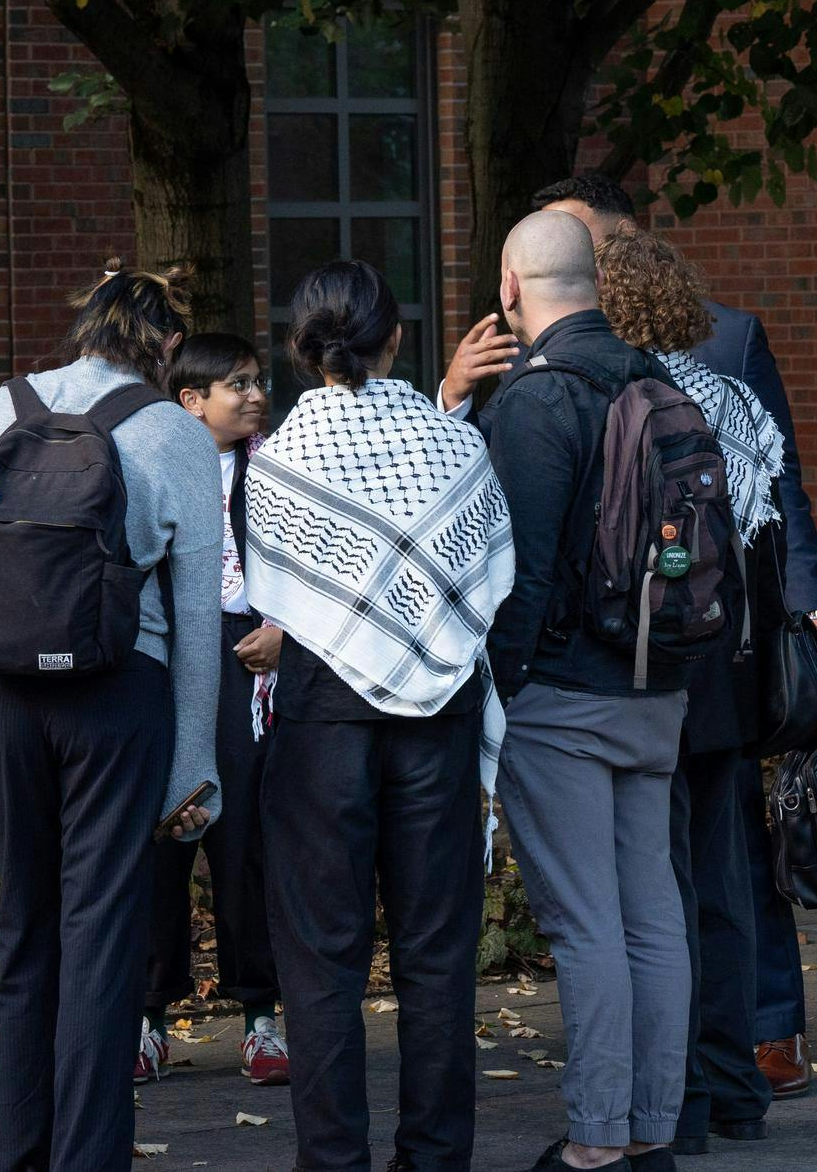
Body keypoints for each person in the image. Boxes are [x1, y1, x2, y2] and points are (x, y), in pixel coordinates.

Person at [531, 173, 817, 1099]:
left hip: (709, 637)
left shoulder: (727, 341)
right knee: (682, 850)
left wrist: (815, 604)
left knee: (727, 843)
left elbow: (781, 489)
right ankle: (699, 1053)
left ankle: (764, 1028)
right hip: (649, 641)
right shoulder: (559, 350)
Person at [0, 263, 221, 1171]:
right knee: (102, 935)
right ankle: (89, 1158)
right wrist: (193, 770)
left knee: (25, 928)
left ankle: (15, 1152)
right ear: (165, 346)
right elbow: (197, 620)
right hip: (119, 700)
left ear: (84, 326)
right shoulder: (175, 433)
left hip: (3, 699)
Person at [244, 261, 514, 1172]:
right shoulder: (452, 446)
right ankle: (436, 1158)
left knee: (323, 959)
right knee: (437, 952)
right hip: (439, 714)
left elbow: (277, 593)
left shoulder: (278, 455)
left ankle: (333, 1160)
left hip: (324, 718)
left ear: (301, 348)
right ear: (395, 340)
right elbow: (485, 583)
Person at [484, 211, 688, 1172]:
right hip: (660, 686)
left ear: (512, 287)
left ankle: (599, 1140)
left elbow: (518, 574)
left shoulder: (537, 398)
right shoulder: (659, 378)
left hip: (562, 695)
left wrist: (503, 691)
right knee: (652, 913)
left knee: (584, 924)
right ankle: (653, 1128)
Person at [590, 225, 788, 1155]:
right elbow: (769, 536)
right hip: (731, 671)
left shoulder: (618, 400)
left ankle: (682, 1106)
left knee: (658, 886)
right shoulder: (730, 399)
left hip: (654, 667)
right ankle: (735, 1080)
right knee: (726, 879)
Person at [138, 333, 288, 1087]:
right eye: (238, 383)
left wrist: (284, 630)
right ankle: (147, 1014)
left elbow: (312, 559)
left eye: (258, 379)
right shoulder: (157, 465)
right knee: (164, 832)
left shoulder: (279, 467)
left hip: (246, 653)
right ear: (190, 400)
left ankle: (260, 1014)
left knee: (245, 841)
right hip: (170, 655)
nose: (256, 394)